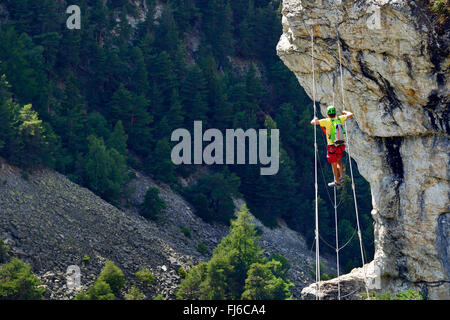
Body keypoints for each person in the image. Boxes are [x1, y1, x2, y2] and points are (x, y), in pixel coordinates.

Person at [311, 106, 353, 187]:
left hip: (332, 146)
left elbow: (312, 122)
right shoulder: (340, 118)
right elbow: (350, 114)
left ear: (327, 114)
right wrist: (345, 111)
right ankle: (341, 177)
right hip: (340, 144)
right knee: (338, 160)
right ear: (335, 113)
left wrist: (315, 118)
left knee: (334, 164)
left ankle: (337, 182)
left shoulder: (326, 121)